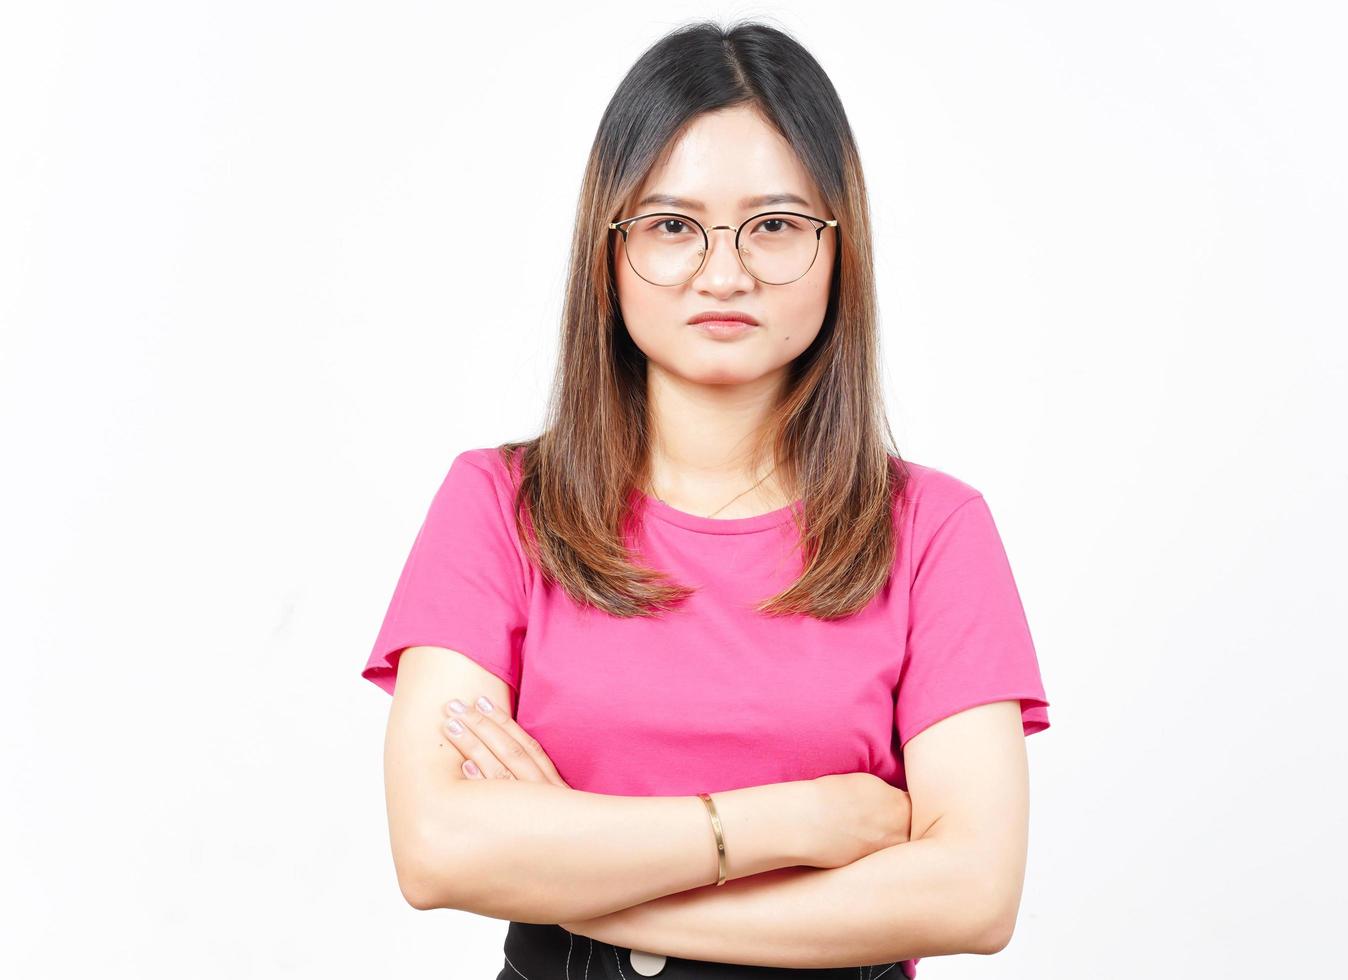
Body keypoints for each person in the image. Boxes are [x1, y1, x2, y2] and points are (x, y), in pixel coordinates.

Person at [360, 19, 1051, 980]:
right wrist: (794, 822)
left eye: (774, 224)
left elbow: (972, 895)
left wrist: (577, 867)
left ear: (838, 248)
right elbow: (438, 850)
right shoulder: (500, 505)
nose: (723, 272)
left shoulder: (934, 531)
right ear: (608, 248)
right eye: (673, 225)